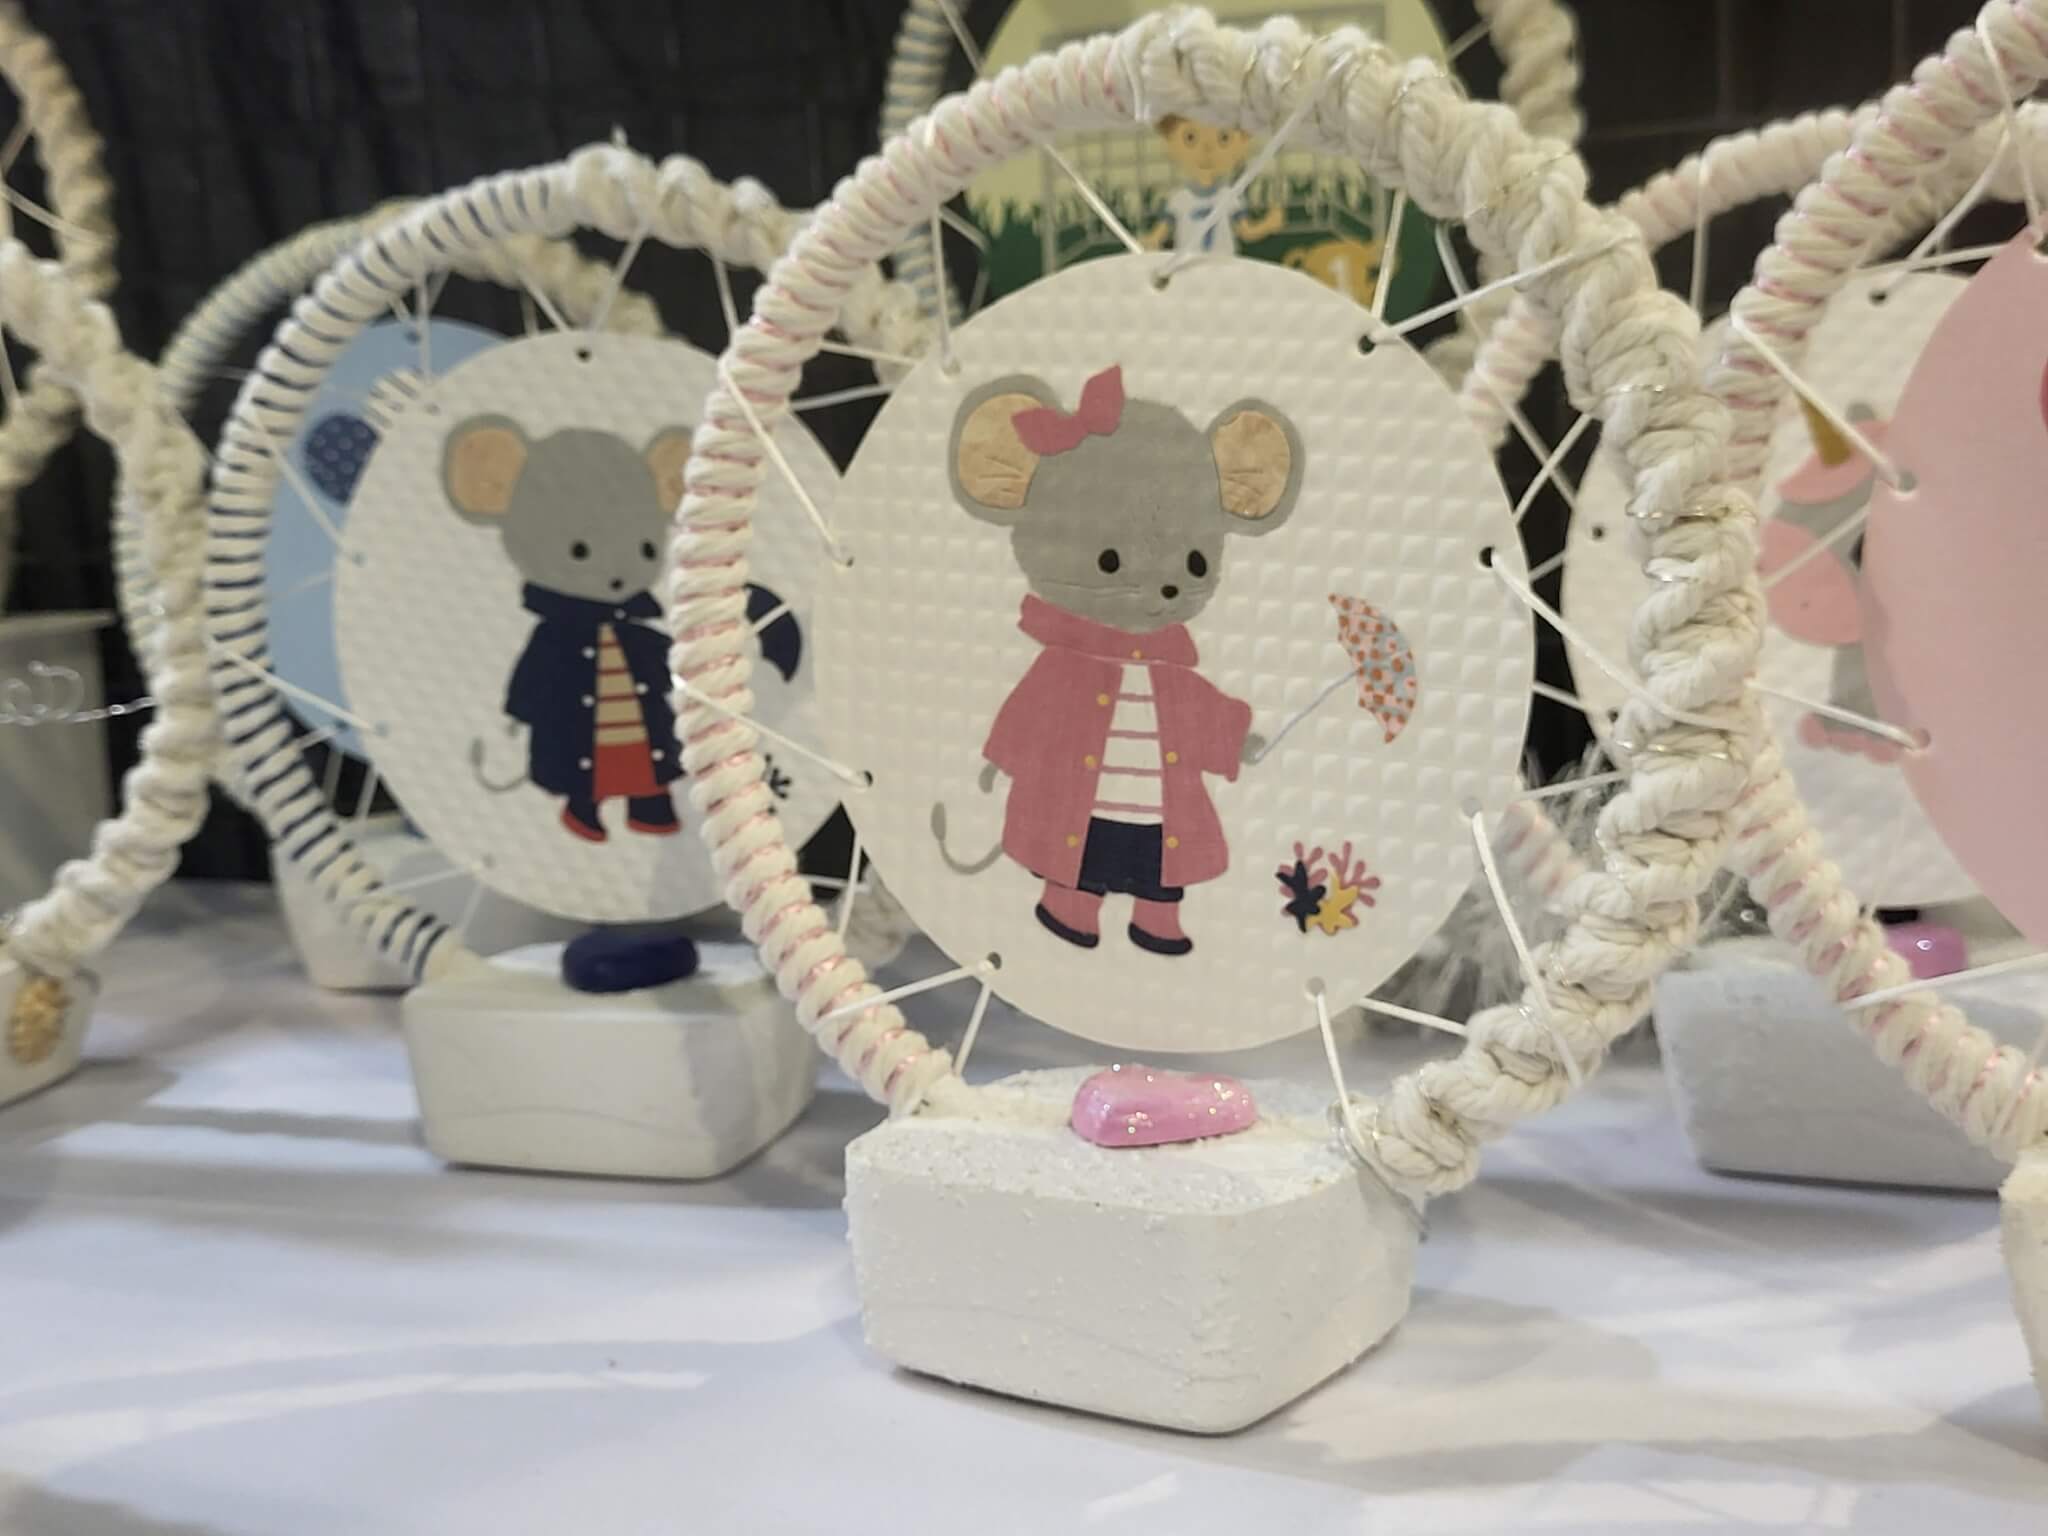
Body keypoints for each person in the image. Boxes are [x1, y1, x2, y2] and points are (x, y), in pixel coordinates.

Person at [1143, 115, 1286, 256]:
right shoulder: (1179, 200)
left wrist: (1268, 225)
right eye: (1190, 138)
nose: (1207, 150)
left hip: (1224, 263)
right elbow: (1158, 234)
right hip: (1188, 265)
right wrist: (1149, 242)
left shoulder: (1230, 197)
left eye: (1223, 138)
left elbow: (1246, 232)